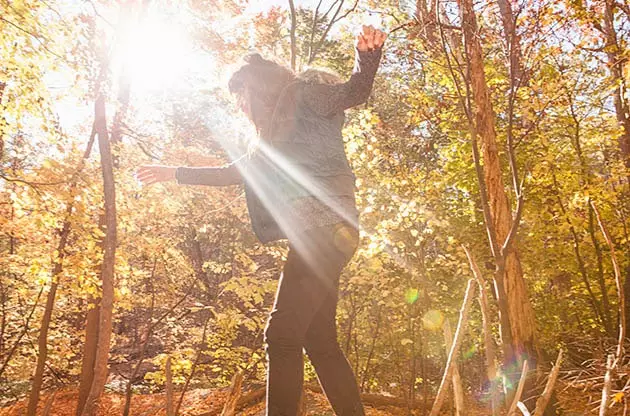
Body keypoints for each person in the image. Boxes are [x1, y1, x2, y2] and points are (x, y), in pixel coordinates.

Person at [137, 24, 386, 416]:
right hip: (326, 235)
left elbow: (353, 92)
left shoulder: (304, 95)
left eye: (240, 96)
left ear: (257, 88)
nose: (239, 106)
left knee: (281, 336)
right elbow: (230, 172)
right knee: (319, 340)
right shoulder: (270, 140)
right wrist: (174, 172)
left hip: (323, 231)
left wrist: (367, 57)